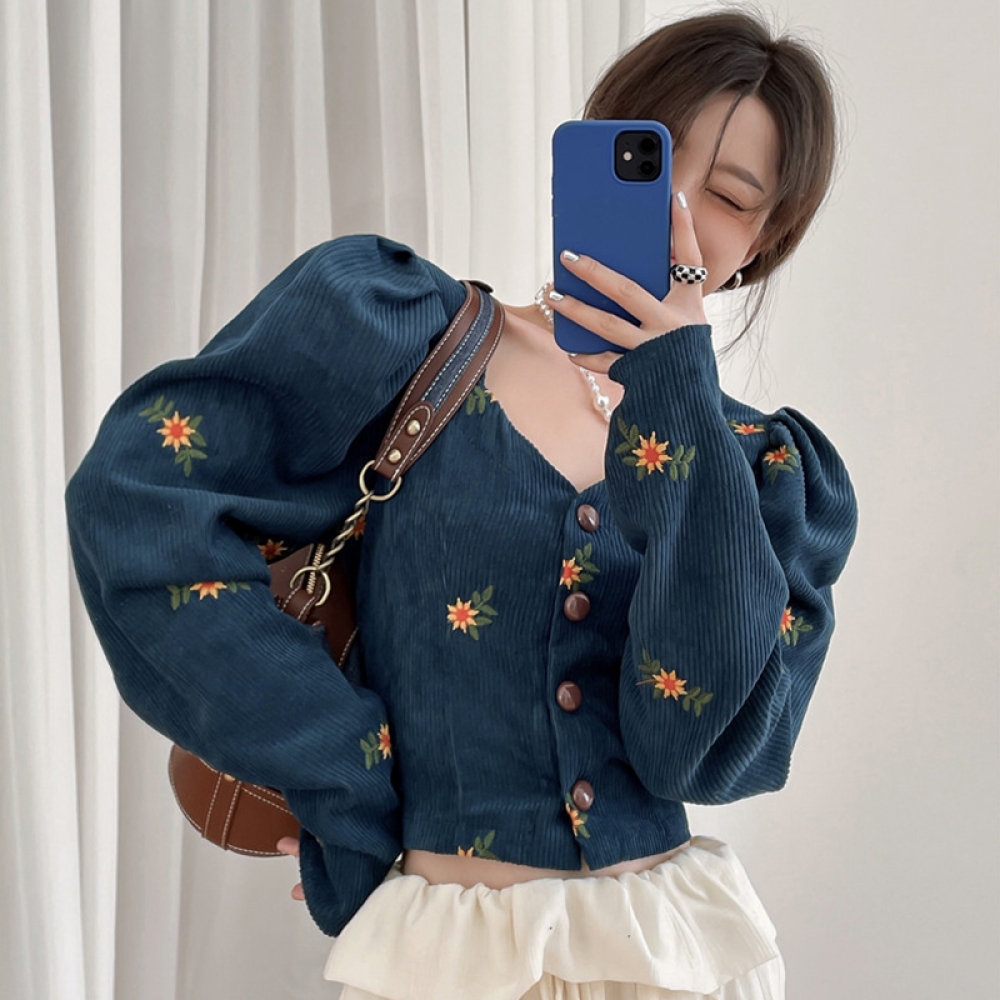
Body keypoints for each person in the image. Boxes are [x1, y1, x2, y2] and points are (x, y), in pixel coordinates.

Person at [65, 9, 857, 1000]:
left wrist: (676, 391)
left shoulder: (766, 471)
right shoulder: (401, 338)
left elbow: (691, 754)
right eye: (650, 162)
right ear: (587, 151)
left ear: (766, 239)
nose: (678, 213)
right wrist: (343, 773)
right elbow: (137, 503)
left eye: (732, 198)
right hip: (444, 960)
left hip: (674, 960)